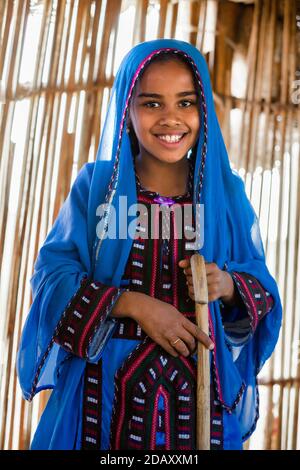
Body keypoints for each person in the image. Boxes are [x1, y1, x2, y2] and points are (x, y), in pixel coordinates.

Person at [17, 39, 282, 450]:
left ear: (203, 110)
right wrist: (134, 305)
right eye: (152, 103)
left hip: (199, 401)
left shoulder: (226, 196)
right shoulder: (97, 189)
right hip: (98, 400)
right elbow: (52, 279)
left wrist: (227, 286)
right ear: (126, 109)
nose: (171, 119)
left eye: (186, 102)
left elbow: (263, 289)